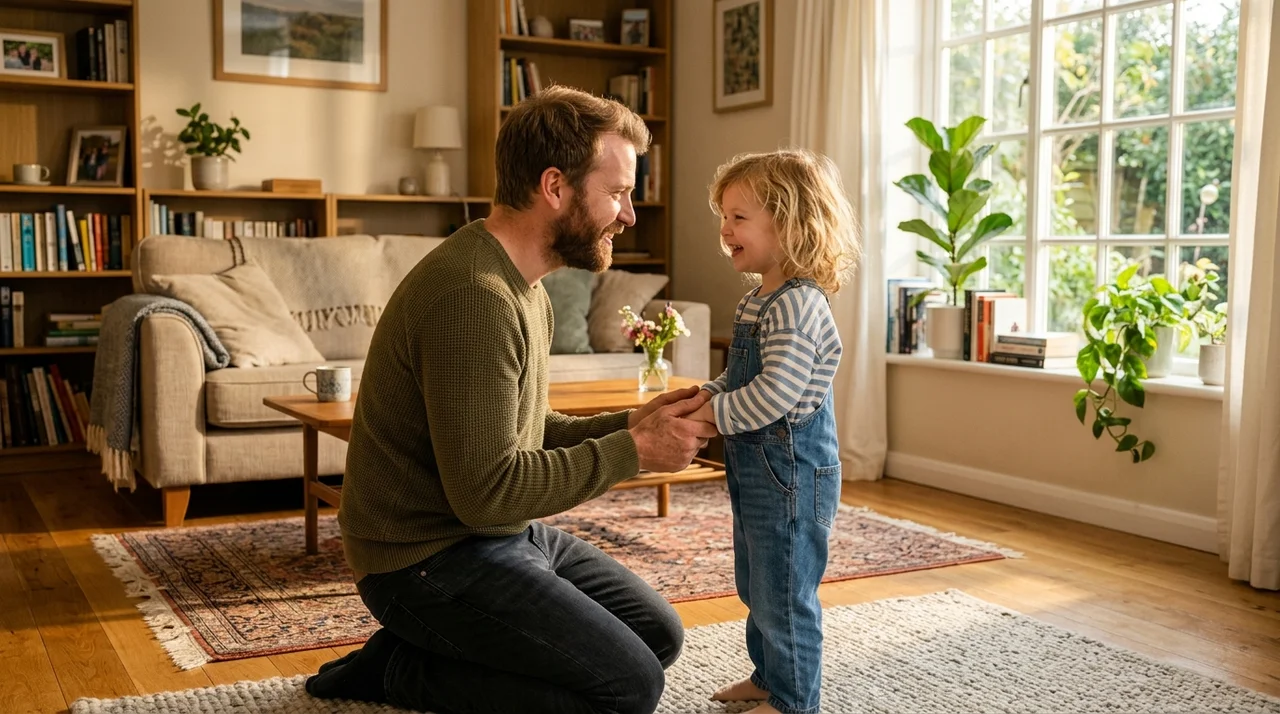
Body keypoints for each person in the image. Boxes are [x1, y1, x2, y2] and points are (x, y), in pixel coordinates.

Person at [305, 85, 718, 714]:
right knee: (627, 687)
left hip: (497, 534)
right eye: (618, 192)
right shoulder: (474, 295)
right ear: (555, 186)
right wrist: (633, 452)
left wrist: (630, 422)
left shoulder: (525, 286)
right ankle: (398, 670)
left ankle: (428, 652)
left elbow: (522, 430)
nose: (629, 215)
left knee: (657, 636)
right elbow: (486, 490)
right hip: (421, 560)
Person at [686, 149, 861, 714]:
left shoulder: (797, 305)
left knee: (786, 595)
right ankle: (767, 677)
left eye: (739, 216)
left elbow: (777, 395)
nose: (724, 228)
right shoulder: (760, 299)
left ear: (787, 225)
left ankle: (792, 701)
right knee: (759, 585)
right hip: (761, 472)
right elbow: (747, 377)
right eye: (724, 215)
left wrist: (713, 418)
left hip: (791, 473)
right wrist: (707, 395)